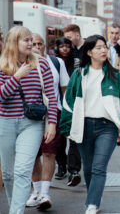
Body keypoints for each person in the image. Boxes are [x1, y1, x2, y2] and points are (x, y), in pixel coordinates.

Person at [59, 35, 120, 214]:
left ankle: (92, 204)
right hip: (83, 126)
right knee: (88, 167)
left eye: (105, 47)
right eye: (99, 47)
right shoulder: (79, 75)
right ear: (89, 52)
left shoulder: (115, 75)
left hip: (107, 127)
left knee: (99, 167)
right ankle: (93, 197)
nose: (103, 50)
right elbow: (68, 103)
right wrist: (66, 127)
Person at [0, 26, 57, 214]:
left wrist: (52, 123)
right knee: (8, 174)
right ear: (14, 42)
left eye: (31, 40)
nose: (31, 43)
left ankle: (15, 212)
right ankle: (14, 206)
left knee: (22, 171)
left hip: (31, 124)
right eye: (26, 40)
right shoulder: (2, 65)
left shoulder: (41, 64)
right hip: (5, 122)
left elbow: (51, 95)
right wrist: (16, 77)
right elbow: (1, 96)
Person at [25, 34, 70, 210]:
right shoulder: (22, 62)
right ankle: (36, 191)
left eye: (39, 43)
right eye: (33, 43)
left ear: (45, 45)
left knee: (49, 152)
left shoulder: (55, 62)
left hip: (52, 113)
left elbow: (64, 89)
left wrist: (65, 113)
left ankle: (45, 192)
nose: (36, 46)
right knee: (33, 155)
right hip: (29, 115)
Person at [62, 24, 84, 186]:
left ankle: (81, 169)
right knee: (73, 136)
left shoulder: (88, 48)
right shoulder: (70, 53)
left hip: (88, 98)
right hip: (73, 99)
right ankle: (73, 170)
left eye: (69, 38)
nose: (67, 44)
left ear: (77, 34)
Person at [53, 37, 75, 181]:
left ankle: (73, 166)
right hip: (59, 105)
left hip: (73, 103)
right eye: (62, 47)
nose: (65, 49)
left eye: (67, 46)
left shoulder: (76, 63)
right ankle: (61, 165)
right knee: (59, 140)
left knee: (72, 137)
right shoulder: (54, 63)